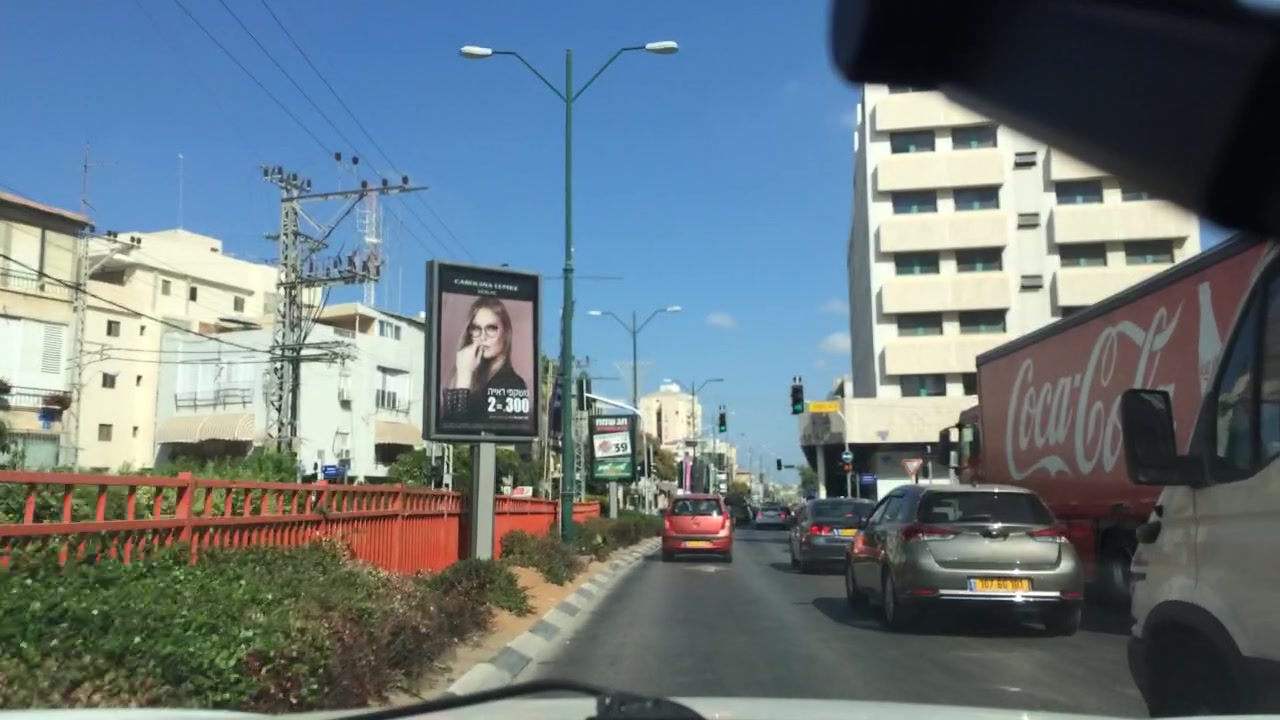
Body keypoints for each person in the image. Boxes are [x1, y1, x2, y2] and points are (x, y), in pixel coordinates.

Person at [441, 296, 529, 423]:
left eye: (491, 328)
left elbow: (457, 428)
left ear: (506, 333)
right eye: (476, 328)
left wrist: (464, 376)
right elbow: (445, 426)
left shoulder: (513, 385)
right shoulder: (474, 377)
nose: (482, 337)